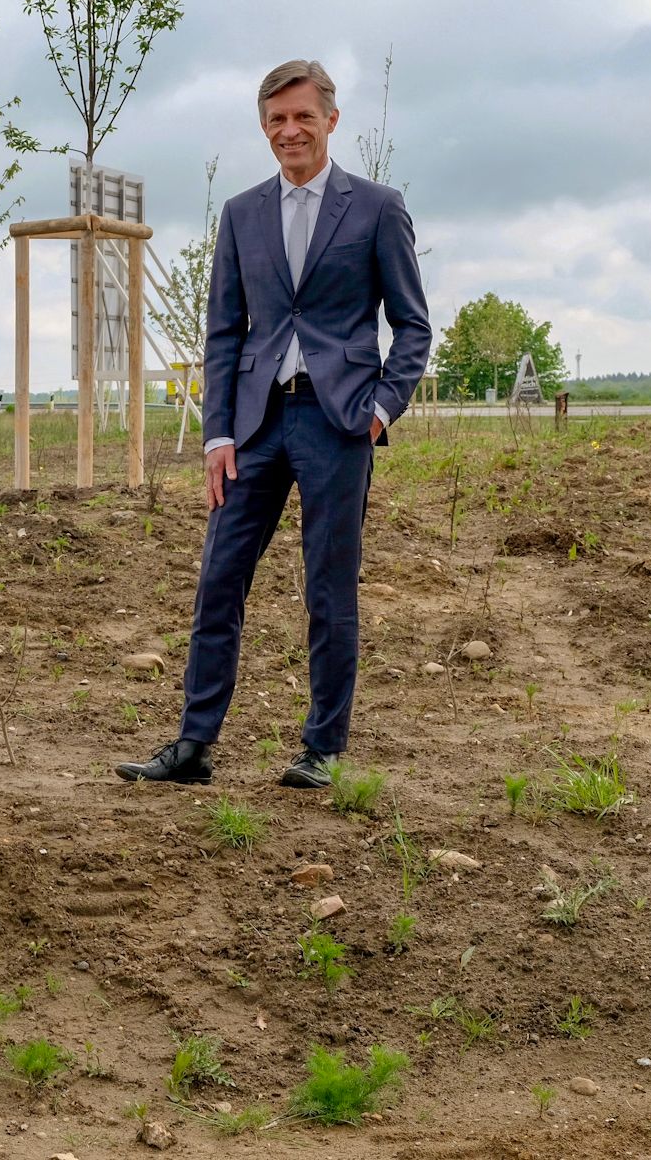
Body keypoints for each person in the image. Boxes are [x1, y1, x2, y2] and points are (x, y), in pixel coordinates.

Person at [117, 59, 430, 789]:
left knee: (329, 589)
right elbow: (224, 333)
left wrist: (380, 411)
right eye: (276, 120)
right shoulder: (240, 213)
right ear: (264, 127)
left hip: (337, 425)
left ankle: (322, 749)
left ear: (330, 120)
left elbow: (412, 327)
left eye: (303, 117)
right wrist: (217, 435)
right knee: (218, 583)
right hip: (253, 429)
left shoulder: (378, 208)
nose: (290, 131)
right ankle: (194, 746)